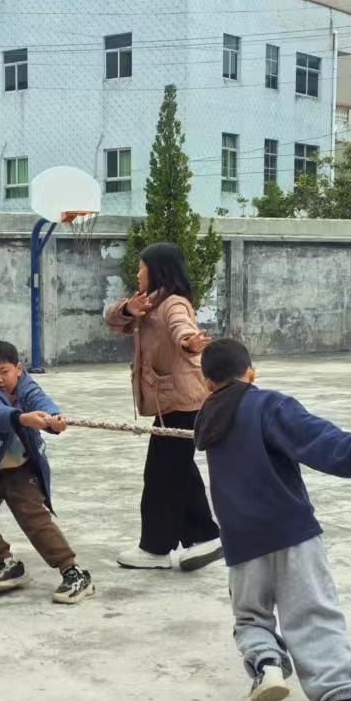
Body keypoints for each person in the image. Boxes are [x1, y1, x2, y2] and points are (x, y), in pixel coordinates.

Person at [194, 338, 351, 701]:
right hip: (290, 529)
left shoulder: (208, 418)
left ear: (205, 384)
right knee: (312, 612)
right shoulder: (266, 403)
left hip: (240, 539)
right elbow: (314, 436)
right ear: (251, 374)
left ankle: (267, 665)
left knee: (250, 615)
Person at [103, 242, 223, 572]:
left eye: (142, 268)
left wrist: (189, 341)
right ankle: (203, 537)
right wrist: (129, 308)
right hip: (170, 401)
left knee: (160, 475)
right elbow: (113, 319)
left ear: (157, 270)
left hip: (182, 400)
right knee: (179, 469)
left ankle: (156, 548)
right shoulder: (146, 303)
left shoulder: (173, 303)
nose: (138, 273)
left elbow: (181, 327)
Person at [0, 341, 93, 603]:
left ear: (17, 369)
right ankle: (5, 563)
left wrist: (54, 419)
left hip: (21, 467)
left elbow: (41, 400)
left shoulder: (27, 387)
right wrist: (23, 418)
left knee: (33, 518)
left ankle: (74, 573)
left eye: (3, 372)